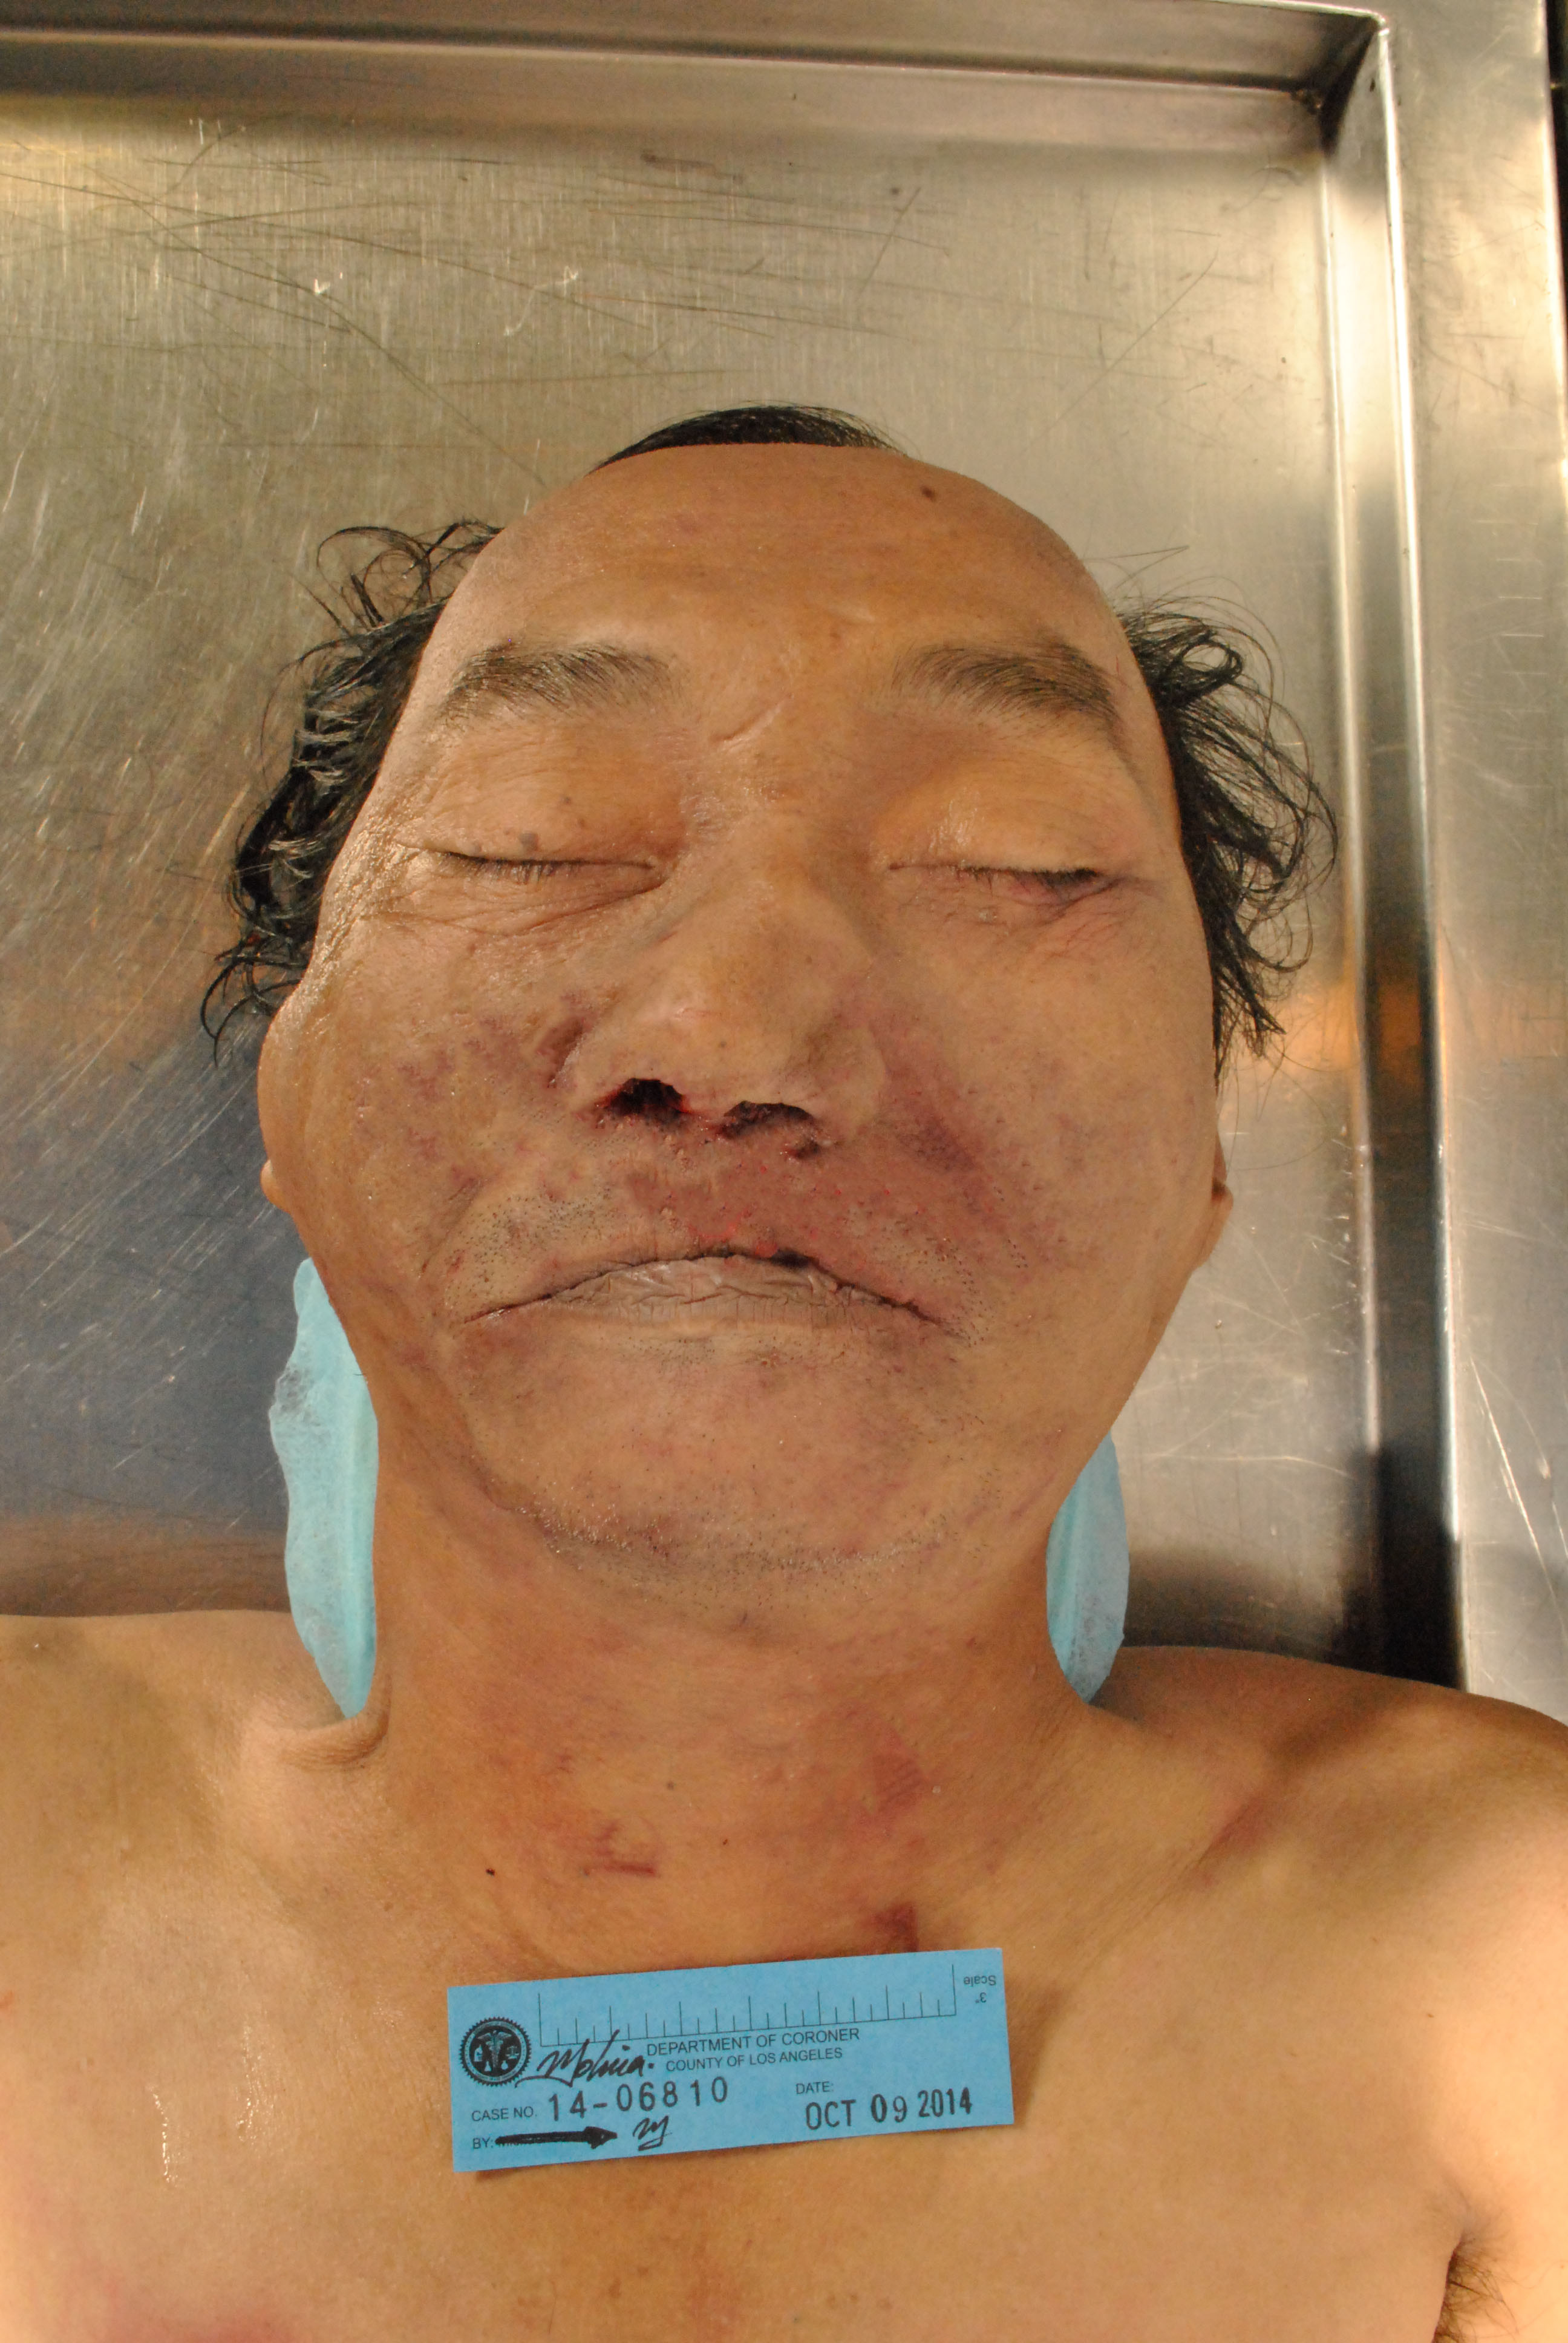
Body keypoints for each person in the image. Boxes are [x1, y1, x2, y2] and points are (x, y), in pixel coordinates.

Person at [2, 404, 1564, 2343]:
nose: (732, 1027)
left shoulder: (1507, 1968)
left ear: (1204, 1172)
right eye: (529, 838)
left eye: (1018, 861)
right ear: (289, 1102)